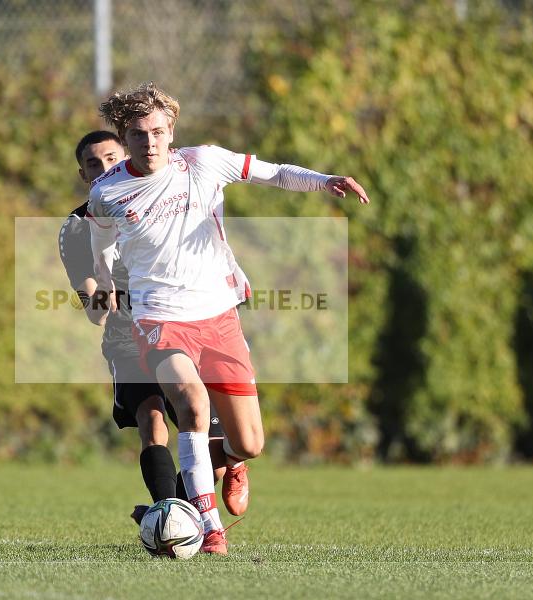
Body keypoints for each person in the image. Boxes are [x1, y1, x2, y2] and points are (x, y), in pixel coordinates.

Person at [87, 83, 370, 554]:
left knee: (250, 441)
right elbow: (100, 247)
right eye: (139, 134)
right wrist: (105, 282)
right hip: (160, 319)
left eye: (158, 132)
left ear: (171, 130)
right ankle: (209, 527)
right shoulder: (107, 191)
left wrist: (325, 181)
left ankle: (235, 462)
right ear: (125, 135)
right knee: (192, 405)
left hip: (219, 316)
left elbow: (273, 173)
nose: (150, 142)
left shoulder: (202, 162)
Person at [58, 131, 242, 524]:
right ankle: (167, 513)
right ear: (82, 174)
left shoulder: (166, 196)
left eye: (111, 158)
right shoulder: (78, 227)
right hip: (128, 336)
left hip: (183, 325)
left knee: (213, 447)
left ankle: (193, 495)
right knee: (152, 420)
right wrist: (107, 292)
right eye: (94, 164)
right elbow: (95, 311)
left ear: (127, 156)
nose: (104, 169)